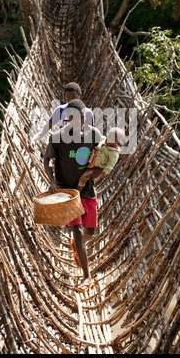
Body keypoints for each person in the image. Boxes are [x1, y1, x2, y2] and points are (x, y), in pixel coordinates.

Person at [43, 99, 102, 293]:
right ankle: (87, 276)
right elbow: (47, 160)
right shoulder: (58, 137)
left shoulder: (94, 135)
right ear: (67, 118)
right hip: (67, 192)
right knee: (77, 230)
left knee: (90, 230)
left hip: (87, 189)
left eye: (82, 118)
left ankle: (79, 247)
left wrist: (88, 176)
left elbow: (102, 163)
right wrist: (52, 182)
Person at [28, 82, 94, 152]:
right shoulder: (60, 110)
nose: (71, 100)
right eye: (68, 98)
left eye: (74, 97)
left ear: (80, 95)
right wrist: (33, 140)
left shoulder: (88, 113)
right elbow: (45, 129)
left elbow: (90, 135)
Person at [77, 127, 125, 191]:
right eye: (109, 136)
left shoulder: (113, 153)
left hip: (98, 168)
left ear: (117, 142)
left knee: (84, 177)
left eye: (112, 139)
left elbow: (110, 164)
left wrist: (105, 172)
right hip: (91, 161)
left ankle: (77, 192)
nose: (108, 139)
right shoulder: (102, 139)